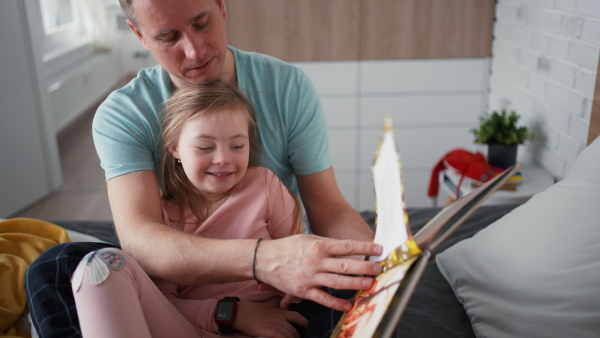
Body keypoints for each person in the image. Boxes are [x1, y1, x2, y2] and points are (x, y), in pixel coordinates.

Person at [25, 0, 383, 336]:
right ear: (139, 35)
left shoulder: (286, 88)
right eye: (168, 37)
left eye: (201, 23)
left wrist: (374, 259)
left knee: (366, 300)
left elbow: (327, 206)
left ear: (222, 6)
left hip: (284, 296)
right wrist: (261, 262)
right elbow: (141, 241)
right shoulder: (124, 114)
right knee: (56, 269)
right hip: (182, 303)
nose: (194, 51)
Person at [72, 81, 312, 337]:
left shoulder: (265, 185)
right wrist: (232, 314)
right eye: (205, 147)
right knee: (98, 266)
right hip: (193, 330)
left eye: (237, 146)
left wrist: (295, 288)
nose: (223, 158)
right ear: (175, 148)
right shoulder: (163, 219)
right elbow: (164, 303)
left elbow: (298, 254)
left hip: (274, 328)